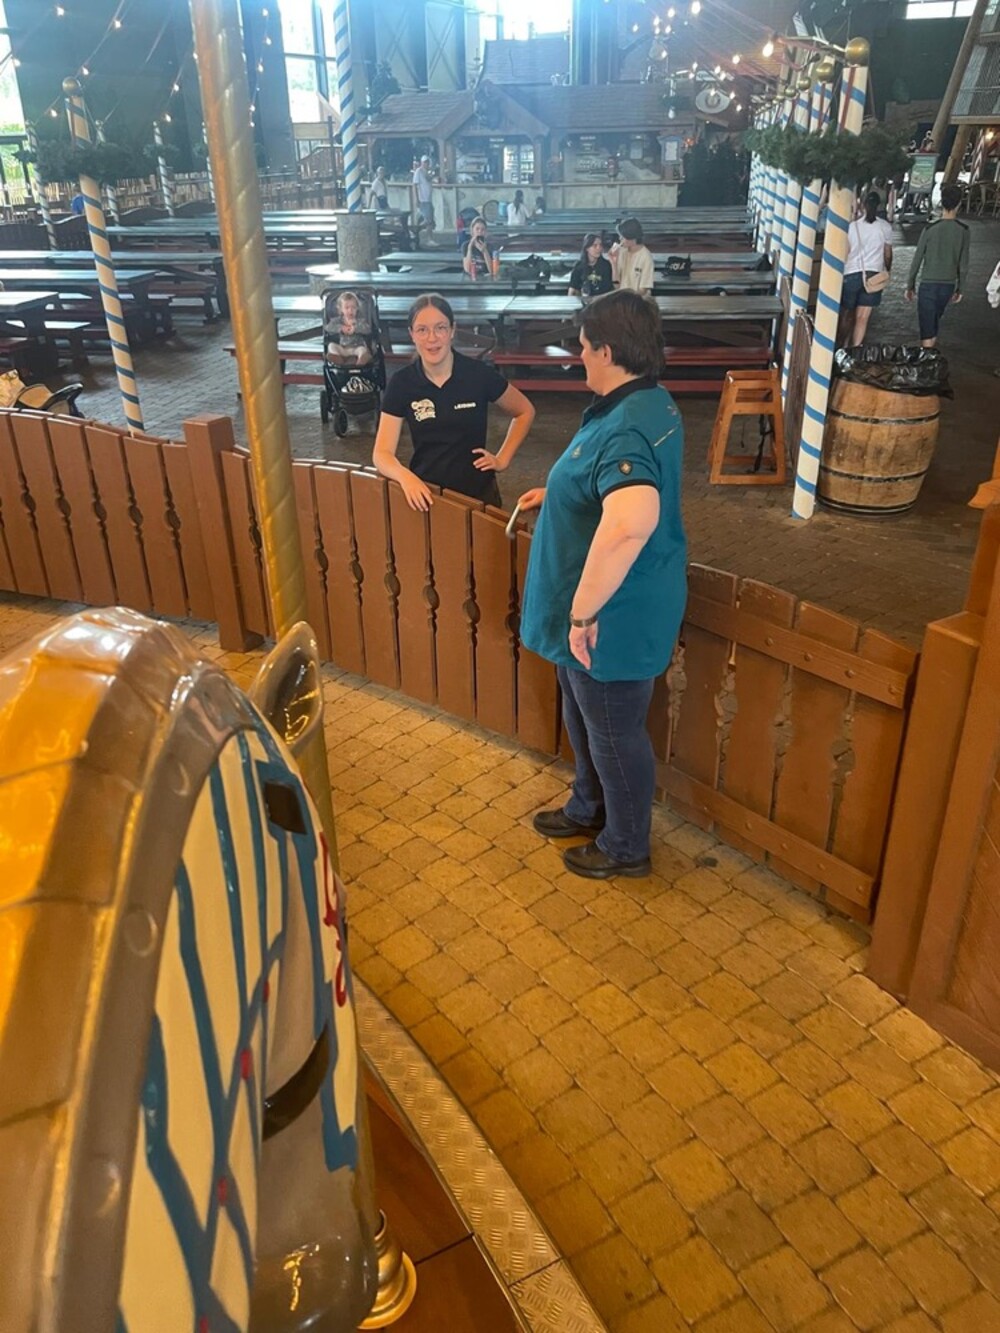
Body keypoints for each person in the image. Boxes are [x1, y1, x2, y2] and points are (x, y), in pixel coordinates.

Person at [518, 290, 686, 879]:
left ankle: (625, 845)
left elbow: (631, 520)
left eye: (585, 347)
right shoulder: (647, 401)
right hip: (601, 609)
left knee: (614, 731)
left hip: (613, 615)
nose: (580, 357)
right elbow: (608, 487)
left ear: (608, 352)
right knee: (584, 709)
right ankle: (588, 806)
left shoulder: (627, 427)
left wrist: (584, 613)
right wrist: (562, 493)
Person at [373, 293, 535, 510]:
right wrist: (406, 478)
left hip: (479, 497)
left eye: (440, 328)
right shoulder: (402, 383)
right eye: (422, 330)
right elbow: (382, 454)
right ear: (412, 334)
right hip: (428, 497)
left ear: (452, 330)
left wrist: (502, 459)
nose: (432, 338)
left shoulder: (478, 374)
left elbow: (524, 411)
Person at [906, 182, 970, 347]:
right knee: (934, 324)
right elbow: (963, 264)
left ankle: (927, 355)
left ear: (942, 202)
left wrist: (910, 285)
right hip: (948, 285)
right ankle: (929, 352)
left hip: (928, 284)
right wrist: (960, 288)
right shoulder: (963, 231)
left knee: (927, 326)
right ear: (959, 204)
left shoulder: (930, 229)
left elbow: (917, 259)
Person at [840, 192, 894, 346]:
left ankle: (842, 346)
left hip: (851, 274)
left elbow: (846, 253)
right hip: (873, 275)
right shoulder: (885, 227)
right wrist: (888, 269)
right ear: (879, 205)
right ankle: (855, 349)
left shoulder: (852, 227)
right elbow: (888, 254)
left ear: (862, 205)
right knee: (862, 318)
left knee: (847, 314)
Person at [325, 291, 373, 367]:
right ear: (341, 309)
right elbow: (328, 327)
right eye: (347, 308)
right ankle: (338, 359)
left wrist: (356, 328)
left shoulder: (360, 320)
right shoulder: (338, 321)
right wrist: (341, 328)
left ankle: (360, 362)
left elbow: (368, 330)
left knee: (363, 350)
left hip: (356, 348)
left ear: (357, 308)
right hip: (343, 348)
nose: (350, 310)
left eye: (353, 307)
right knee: (331, 346)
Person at [612, 217, 655, 296]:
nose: (620, 239)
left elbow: (643, 290)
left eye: (622, 237)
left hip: (638, 300)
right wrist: (613, 262)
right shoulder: (621, 252)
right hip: (621, 297)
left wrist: (629, 300)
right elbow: (616, 286)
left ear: (632, 237)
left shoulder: (646, 257)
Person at [569, 232, 615, 301]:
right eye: (595, 245)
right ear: (587, 248)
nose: (599, 248)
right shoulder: (579, 266)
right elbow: (573, 288)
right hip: (586, 302)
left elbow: (612, 287)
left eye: (600, 245)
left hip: (604, 302)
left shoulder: (606, 265)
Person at [412, 155, 436, 240]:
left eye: (427, 162)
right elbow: (414, 185)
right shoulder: (418, 171)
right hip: (423, 199)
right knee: (428, 220)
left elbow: (430, 179)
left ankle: (427, 236)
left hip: (428, 199)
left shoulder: (427, 172)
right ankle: (415, 230)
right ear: (422, 163)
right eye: (425, 162)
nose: (426, 164)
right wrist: (416, 199)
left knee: (430, 220)